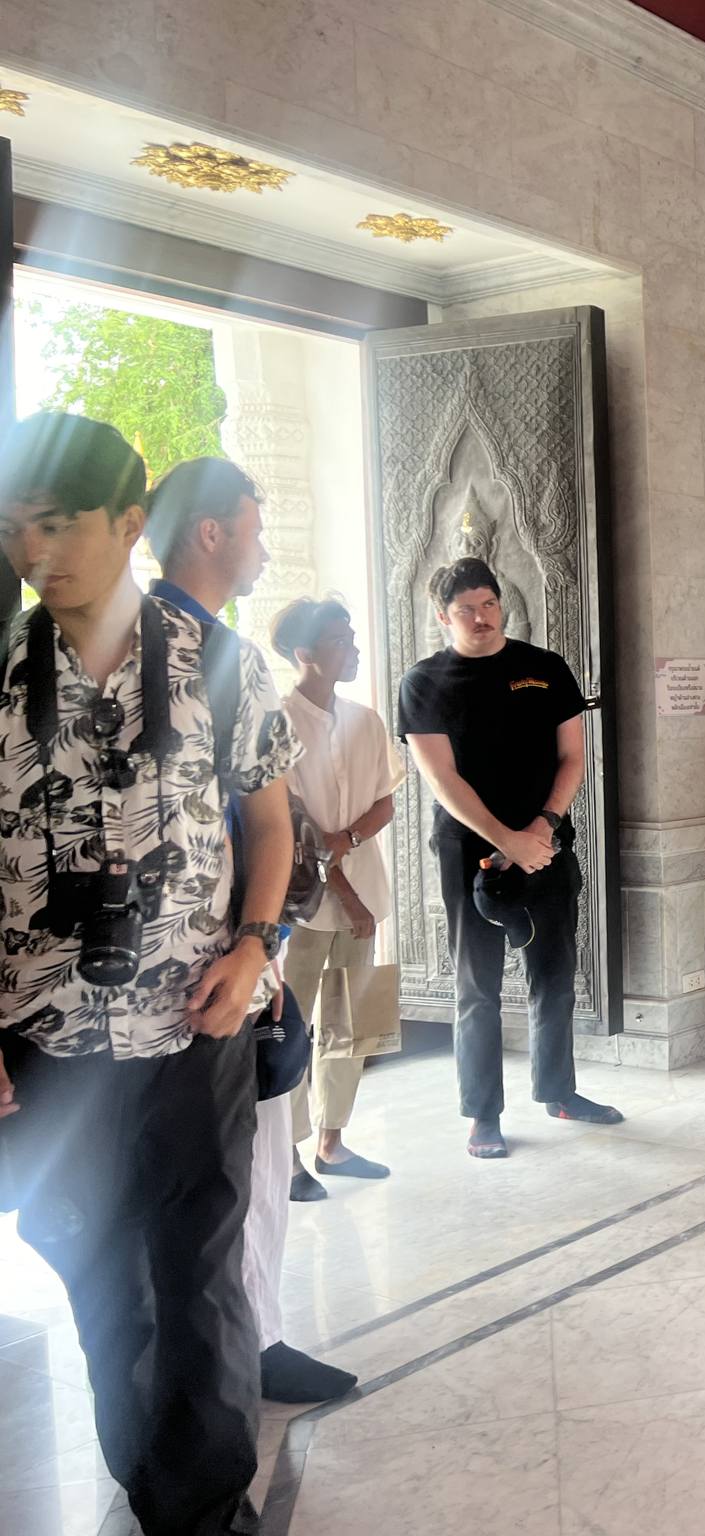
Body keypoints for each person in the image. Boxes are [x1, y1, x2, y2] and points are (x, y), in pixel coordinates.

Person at [0, 413, 299, 1533]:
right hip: (46, 1038)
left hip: (194, 1022)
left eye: (58, 523)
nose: (35, 550)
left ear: (129, 522)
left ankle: (206, 1511)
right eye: (16, 527)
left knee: (199, 1272)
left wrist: (255, 945)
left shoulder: (220, 662)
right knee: (96, 1268)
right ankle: (149, 1482)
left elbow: (272, 825)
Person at [143, 455, 356, 1405]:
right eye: (254, 528)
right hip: (221, 961)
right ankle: (252, 1343)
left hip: (189, 960)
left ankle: (202, 1356)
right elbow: (253, 824)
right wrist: (256, 948)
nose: (263, 548)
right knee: (252, 1165)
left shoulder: (133, 645)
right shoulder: (212, 654)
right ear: (211, 533)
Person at [395, 556, 619, 1157]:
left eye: (489, 604)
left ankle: (560, 1092)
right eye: (466, 609)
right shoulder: (423, 682)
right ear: (443, 617)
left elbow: (573, 756)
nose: (481, 617)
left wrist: (542, 827)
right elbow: (442, 778)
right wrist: (505, 839)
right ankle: (483, 1115)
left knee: (555, 975)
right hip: (469, 850)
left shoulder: (544, 668)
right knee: (478, 986)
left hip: (545, 842)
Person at [273, 596, 403, 1187]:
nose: (352, 648)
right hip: (303, 905)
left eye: (352, 637)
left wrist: (347, 840)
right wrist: (345, 893)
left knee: (354, 1022)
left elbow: (384, 803)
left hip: (365, 895)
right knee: (291, 1029)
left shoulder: (366, 720)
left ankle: (333, 1143)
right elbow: (298, 827)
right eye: (339, 640)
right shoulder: (277, 721)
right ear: (304, 652)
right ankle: (288, 1154)